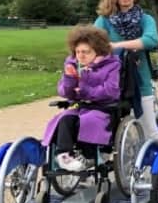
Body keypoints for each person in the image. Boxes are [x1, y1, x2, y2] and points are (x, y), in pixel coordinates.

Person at [42, 25, 122, 171]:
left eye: (85, 52)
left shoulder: (112, 65)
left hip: (103, 107)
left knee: (89, 121)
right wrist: (69, 79)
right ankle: (64, 156)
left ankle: (90, 158)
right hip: (80, 107)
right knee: (64, 118)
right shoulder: (72, 64)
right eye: (78, 51)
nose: (80, 55)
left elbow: (111, 91)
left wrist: (86, 90)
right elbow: (63, 91)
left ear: (97, 51)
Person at [95, 0, 158, 143]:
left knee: (150, 131)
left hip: (140, 79)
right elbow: (93, 42)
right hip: (112, 79)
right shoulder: (104, 21)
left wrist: (117, 46)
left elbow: (151, 40)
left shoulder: (145, 19)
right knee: (105, 128)